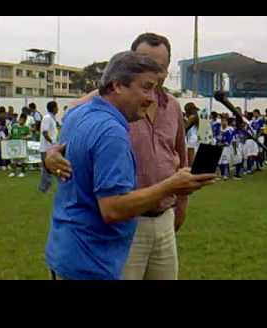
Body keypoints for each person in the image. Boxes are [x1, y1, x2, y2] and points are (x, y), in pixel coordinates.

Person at [45, 51, 215, 280]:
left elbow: (62, 156)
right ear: (117, 86)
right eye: (145, 88)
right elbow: (112, 208)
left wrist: (47, 159)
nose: (152, 98)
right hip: (91, 261)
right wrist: (171, 186)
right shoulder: (111, 132)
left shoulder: (77, 113)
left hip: (66, 251)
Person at [38, 101, 59, 193]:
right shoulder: (47, 118)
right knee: (46, 169)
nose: (58, 109)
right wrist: (52, 142)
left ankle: (46, 187)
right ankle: (45, 188)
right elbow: (45, 133)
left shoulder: (52, 118)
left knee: (49, 168)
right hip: (46, 147)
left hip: (50, 147)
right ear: (54, 108)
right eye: (57, 107)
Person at [8, 113, 30, 178]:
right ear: (19, 119)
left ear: (25, 120)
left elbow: (29, 135)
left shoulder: (26, 128)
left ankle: (22, 172)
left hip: (22, 145)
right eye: (21, 119)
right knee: (13, 159)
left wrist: (25, 137)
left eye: (24, 120)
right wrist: (5, 139)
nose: (22, 121)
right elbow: (10, 135)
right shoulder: (14, 126)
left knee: (22, 159)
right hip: (14, 145)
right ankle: (13, 172)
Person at [184, 102, 200, 167]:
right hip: (197, 138)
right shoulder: (197, 116)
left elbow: (185, 129)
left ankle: (191, 172)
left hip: (192, 139)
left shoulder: (192, 117)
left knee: (191, 159)